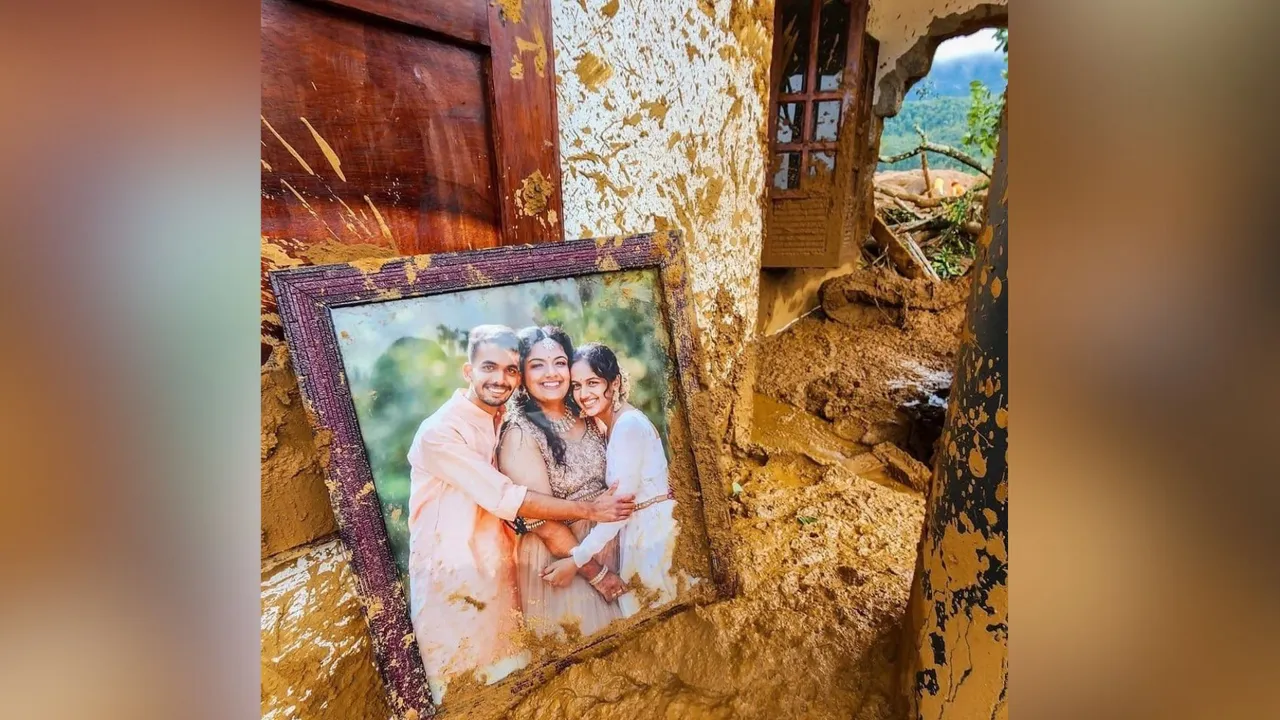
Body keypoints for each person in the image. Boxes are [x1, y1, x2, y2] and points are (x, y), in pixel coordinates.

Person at [405, 325, 636, 705]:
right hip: (456, 581)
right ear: (468, 371)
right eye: (490, 368)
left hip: (505, 572)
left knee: (529, 681)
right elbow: (512, 500)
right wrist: (592, 542)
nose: (501, 379)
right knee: (466, 687)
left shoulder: (498, 417)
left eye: (510, 370)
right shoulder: (442, 433)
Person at [497, 326, 627, 641]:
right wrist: (597, 574)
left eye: (559, 362)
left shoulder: (587, 412)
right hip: (563, 559)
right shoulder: (520, 434)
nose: (551, 373)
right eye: (537, 365)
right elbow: (540, 520)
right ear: (522, 376)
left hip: (607, 543)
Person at [542, 342, 680, 617]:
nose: (583, 394)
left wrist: (575, 560)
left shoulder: (628, 426)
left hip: (653, 534)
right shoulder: (610, 425)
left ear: (614, 382)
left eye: (592, 382)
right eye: (577, 385)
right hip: (641, 530)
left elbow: (619, 509)